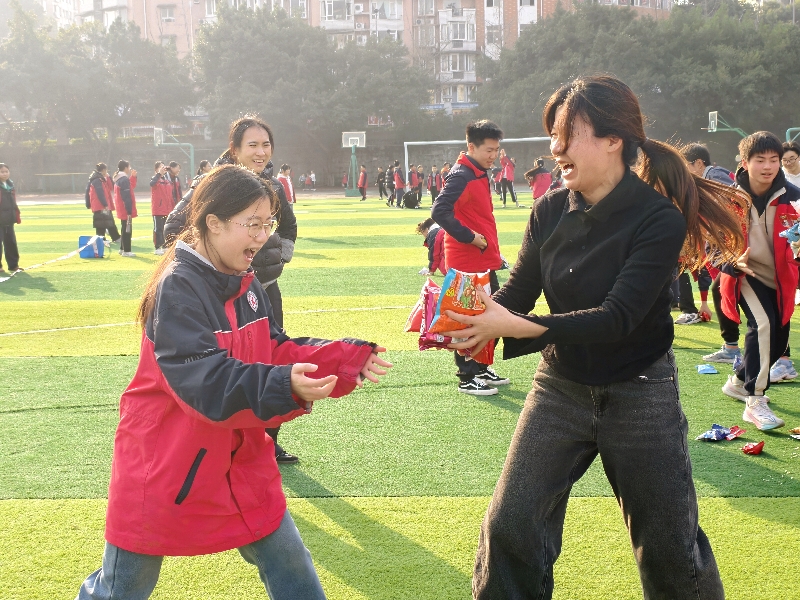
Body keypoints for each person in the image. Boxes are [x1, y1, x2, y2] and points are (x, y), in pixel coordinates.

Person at [444, 76, 747, 599]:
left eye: (568, 133)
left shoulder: (657, 218)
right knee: (510, 524)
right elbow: (517, 293)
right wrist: (468, 321)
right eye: (553, 134)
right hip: (560, 387)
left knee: (670, 545)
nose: (555, 148)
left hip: (641, 389)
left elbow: (617, 317)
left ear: (614, 139)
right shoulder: (549, 211)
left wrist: (512, 327)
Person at [73, 165, 391, 599]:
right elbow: (205, 385)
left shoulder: (246, 281)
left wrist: (343, 357)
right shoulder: (177, 288)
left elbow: (273, 348)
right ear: (213, 223)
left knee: (291, 563)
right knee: (123, 587)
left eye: (268, 224)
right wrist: (284, 385)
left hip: (240, 460)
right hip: (166, 464)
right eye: (252, 224)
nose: (263, 237)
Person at [165, 116, 300, 463]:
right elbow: (173, 226)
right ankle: (226, 443)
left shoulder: (273, 185)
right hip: (220, 294)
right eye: (252, 145)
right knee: (226, 366)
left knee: (269, 356)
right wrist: (211, 267)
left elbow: (289, 224)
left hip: (263, 289)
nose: (260, 151)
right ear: (235, 148)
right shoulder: (213, 185)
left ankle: (266, 441)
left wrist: (282, 251)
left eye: (266, 144)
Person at [719, 131, 800, 421]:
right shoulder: (730, 200)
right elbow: (711, 243)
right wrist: (732, 261)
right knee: (763, 325)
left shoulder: (794, 198)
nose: (768, 166)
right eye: (760, 160)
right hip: (745, 275)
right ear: (745, 162)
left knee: (778, 341)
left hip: (781, 280)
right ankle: (755, 401)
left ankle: (739, 381)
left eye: (774, 160)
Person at [430, 121, 510, 396]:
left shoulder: (478, 172)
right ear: (471, 147)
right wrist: (470, 238)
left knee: (494, 315)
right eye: (489, 150)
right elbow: (440, 211)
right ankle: (466, 377)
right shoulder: (462, 174)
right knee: (466, 320)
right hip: (466, 263)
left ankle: (481, 366)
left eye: (496, 150)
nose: (493, 156)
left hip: (484, 261)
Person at [85, 162, 120, 246]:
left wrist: (108, 177)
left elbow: (111, 187)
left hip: (101, 206)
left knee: (106, 221)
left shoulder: (100, 179)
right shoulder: (97, 180)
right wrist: (105, 204)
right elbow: (100, 193)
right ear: (104, 170)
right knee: (102, 223)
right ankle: (105, 239)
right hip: (100, 206)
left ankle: (113, 237)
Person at [113, 160, 138, 258]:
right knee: (127, 230)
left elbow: (130, 188)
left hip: (121, 207)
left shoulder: (119, 178)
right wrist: (129, 210)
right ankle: (126, 250)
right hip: (125, 208)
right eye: (129, 166)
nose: (130, 168)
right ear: (125, 168)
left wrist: (133, 177)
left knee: (124, 228)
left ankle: (122, 248)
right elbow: (127, 196)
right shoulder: (123, 179)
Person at [0, 163, 21, 274]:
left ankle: (13, 265)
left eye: (6, 171)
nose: (4, 174)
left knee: (11, 242)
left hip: (9, 218)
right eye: (2, 172)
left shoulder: (10, 184)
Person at [150, 162, 173, 256]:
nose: (163, 168)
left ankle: (164, 246)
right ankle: (157, 247)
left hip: (167, 209)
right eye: (160, 167)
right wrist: (159, 174)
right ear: (156, 169)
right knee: (158, 229)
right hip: (158, 209)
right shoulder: (155, 179)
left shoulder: (166, 180)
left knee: (165, 228)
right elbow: (152, 183)